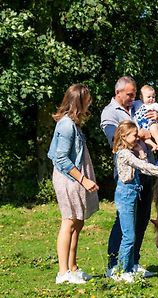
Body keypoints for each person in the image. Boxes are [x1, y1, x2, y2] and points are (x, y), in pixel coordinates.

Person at [101, 76, 158, 278]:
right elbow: (115, 139)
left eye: (134, 94)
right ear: (118, 92)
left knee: (143, 217)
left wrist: (156, 120)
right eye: (129, 94)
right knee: (124, 220)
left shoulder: (139, 105)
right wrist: (141, 136)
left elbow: (155, 120)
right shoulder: (109, 113)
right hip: (128, 174)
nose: (132, 98)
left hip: (146, 169)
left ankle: (133, 262)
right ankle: (113, 264)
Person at [48, 84, 100, 284]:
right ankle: (63, 273)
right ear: (79, 101)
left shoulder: (74, 124)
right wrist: (83, 179)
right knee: (69, 221)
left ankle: (73, 268)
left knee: (78, 222)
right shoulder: (66, 125)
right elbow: (61, 159)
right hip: (68, 179)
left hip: (75, 178)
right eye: (87, 98)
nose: (90, 102)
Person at [110, 120, 158, 282]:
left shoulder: (130, 151)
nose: (137, 138)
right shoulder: (124, 154)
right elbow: (143, 167)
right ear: (124, 136)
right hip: (125, 196)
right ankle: (121, 270)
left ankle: (130, 267)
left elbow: (142, 164)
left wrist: (141, 151)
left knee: (130, 233)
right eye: (134, 136)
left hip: (132, 195)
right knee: (129, 236)